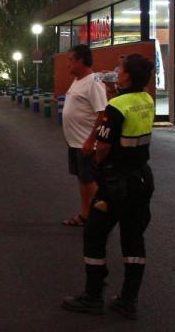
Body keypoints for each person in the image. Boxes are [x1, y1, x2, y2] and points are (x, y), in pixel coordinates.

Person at [62, 54, 155, 320]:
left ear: (126, 75)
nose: (116, 71)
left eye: (120, 69)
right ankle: (128, 299)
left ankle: (92, 296)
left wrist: (97, 162)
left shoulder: (116, 106)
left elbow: (103, 147)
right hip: (142, 178)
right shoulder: (146, 100)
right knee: (133, 237)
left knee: (94, 234)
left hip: (117, 182)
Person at [60, 45, 108, 227]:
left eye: (71, 60)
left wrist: (91, 140)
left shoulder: (93, 81)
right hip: (75, 142)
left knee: (91, 183)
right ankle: (86, 215)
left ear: (81, 61)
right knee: (83, 180)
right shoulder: (78, 80)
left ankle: (101, 219)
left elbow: (102, 113)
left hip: (86, 144)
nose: (68, 64)